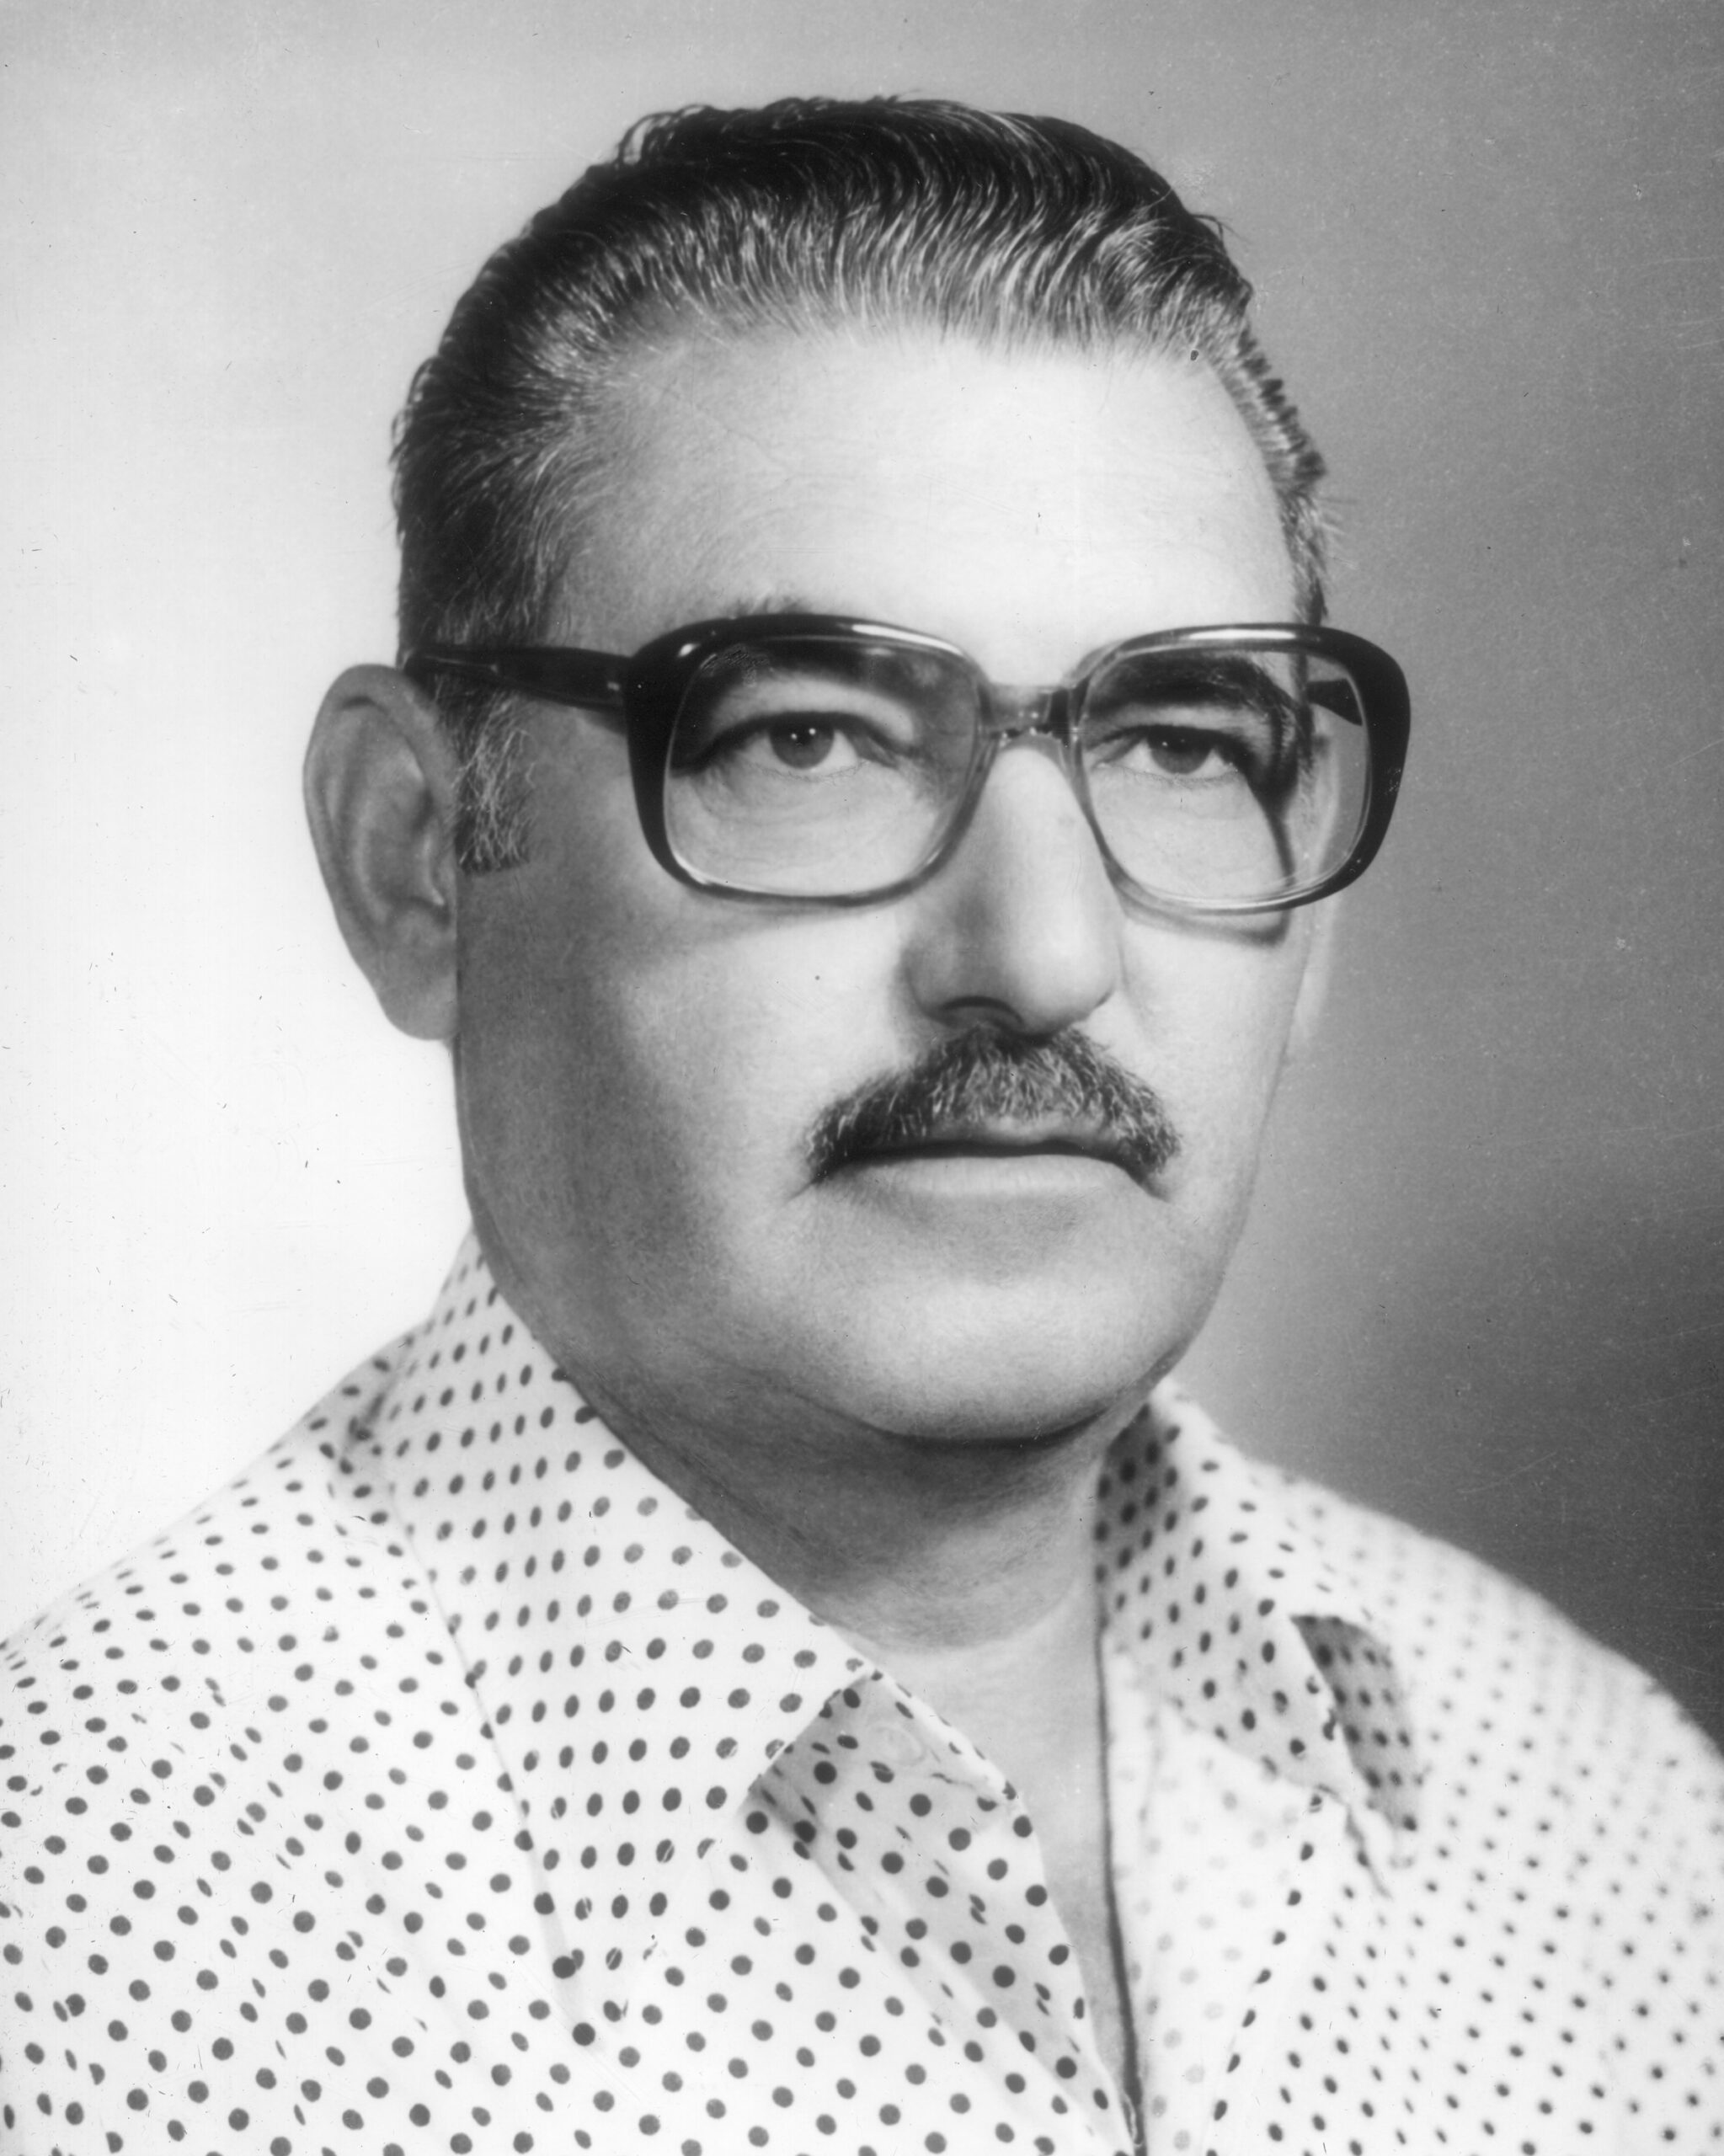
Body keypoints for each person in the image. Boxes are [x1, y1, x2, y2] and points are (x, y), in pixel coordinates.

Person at [2, 97, 1718, 2156]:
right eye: (805, 735)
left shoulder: (1618, 1817)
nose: (1045, 953)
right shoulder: (66, 1950)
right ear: (415, 858)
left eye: (1181, 744)